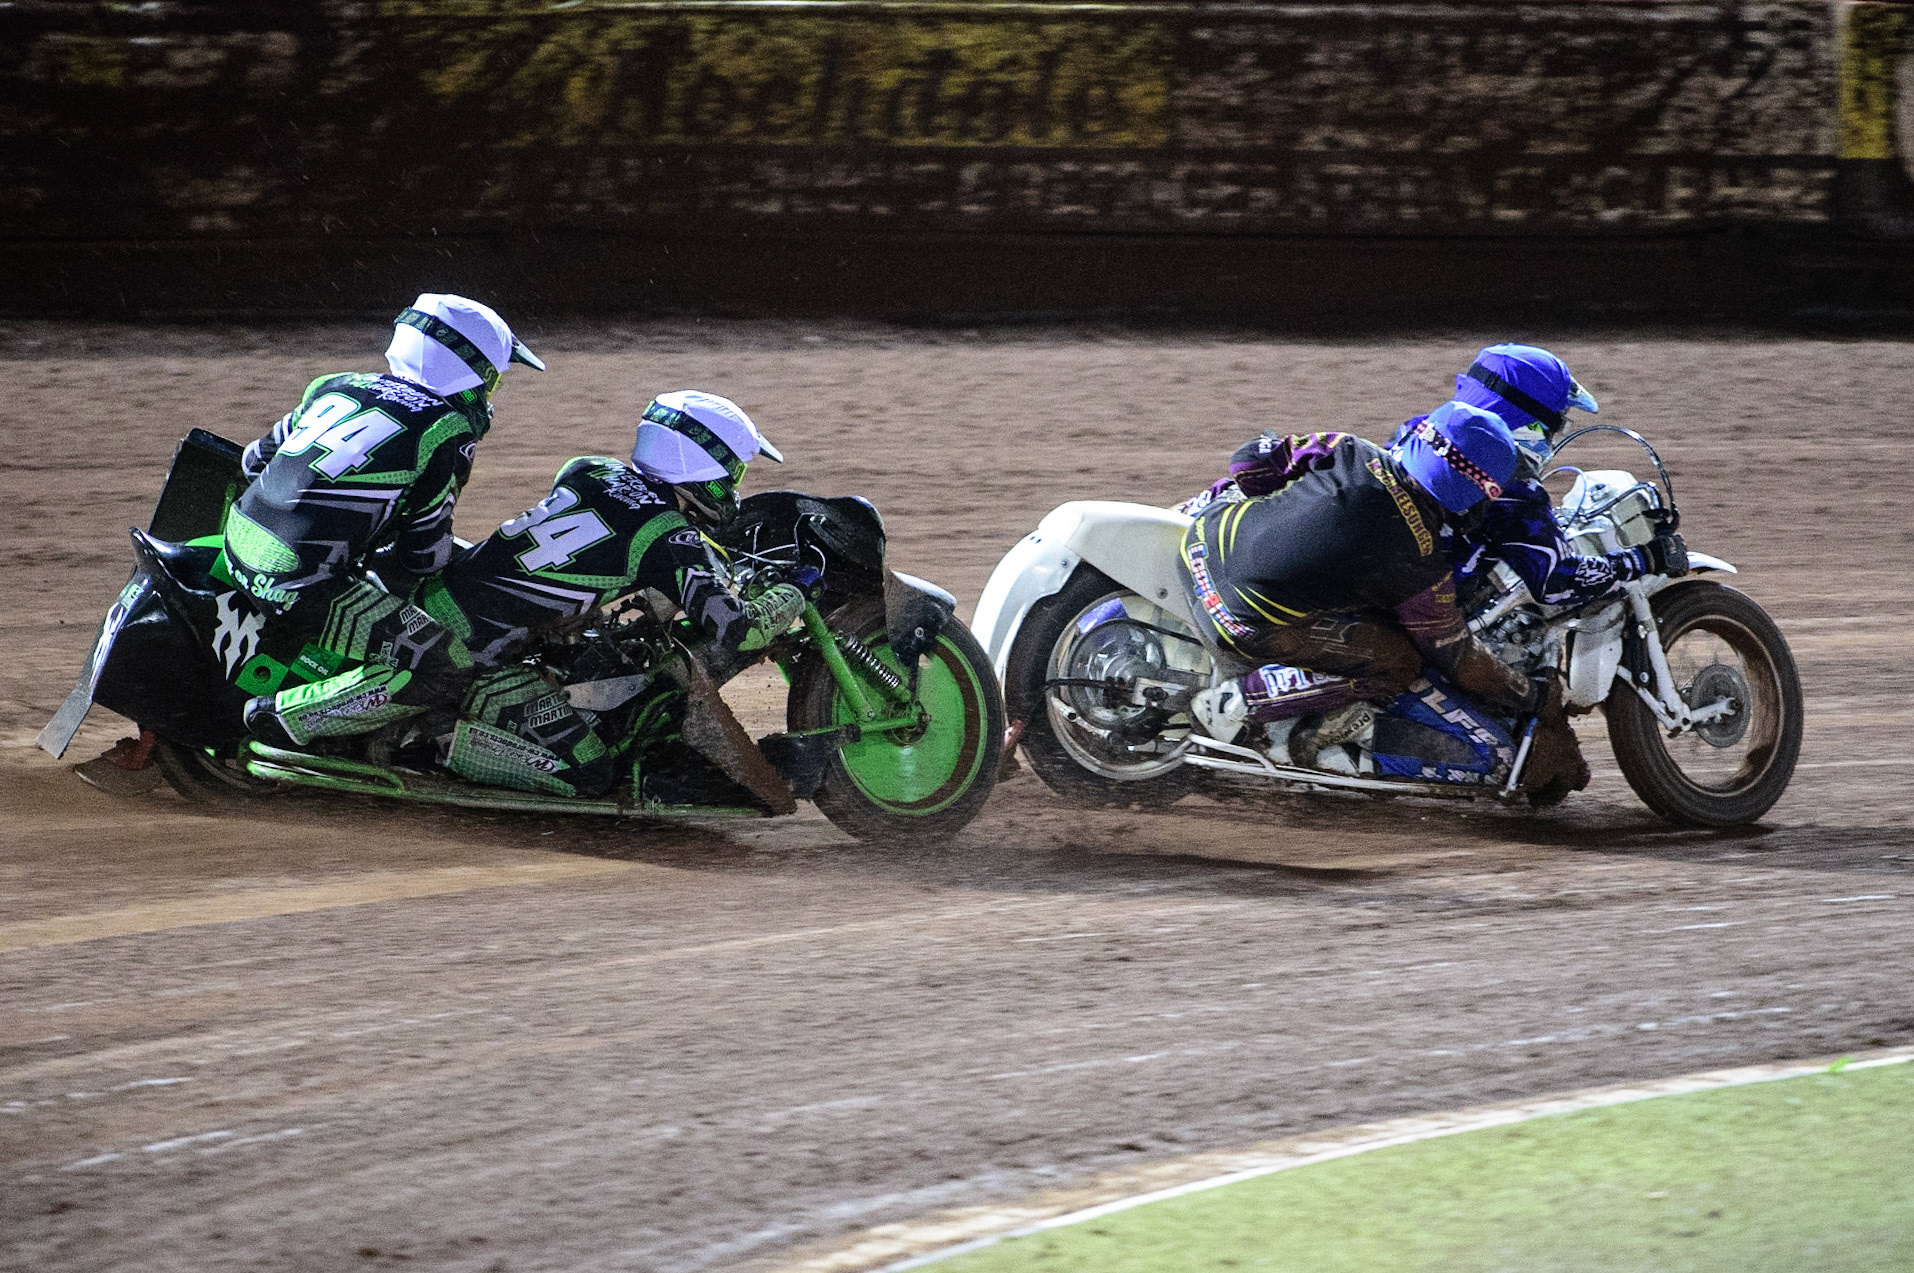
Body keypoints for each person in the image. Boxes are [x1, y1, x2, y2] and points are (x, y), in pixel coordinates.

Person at [412, 390, 810, 798]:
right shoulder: (669, 536)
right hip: (472, 659)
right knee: (594, 774)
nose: (734, 484)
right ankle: (438, 747)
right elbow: (740, 629)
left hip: (430, 604)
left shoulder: (587, 469)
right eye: (734, 472)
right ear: (706, 466)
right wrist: (798, 587)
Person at [1181, 402, 1583, 793]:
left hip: (1197, 542)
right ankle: (1238, 705)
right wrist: (1534, 697)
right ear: (1475, 492)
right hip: (1235, 619)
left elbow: (1247, 462)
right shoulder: (1418, 558)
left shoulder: (1351, 449)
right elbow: (1458, 657)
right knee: (1400, 659)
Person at [231, 294, 544, 751]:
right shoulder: (448, 431)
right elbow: (422, 556)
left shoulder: (335, 385)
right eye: (493, 384)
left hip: (236, 541)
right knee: (448, 664)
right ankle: (286, 720)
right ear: (470, 371)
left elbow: (252, 461)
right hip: (300, 583)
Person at [1406, 344, 1688, 607]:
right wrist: (1646, 558)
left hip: (1383, 587)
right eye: (1557, 424)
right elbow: (1557, 582)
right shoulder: (1513, 487)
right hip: (1431, 617)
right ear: (1532, 425)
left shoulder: (1417, 431)